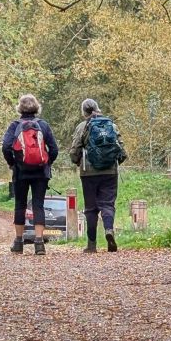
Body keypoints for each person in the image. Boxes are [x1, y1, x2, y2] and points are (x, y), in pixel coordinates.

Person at [1, 94, 59, 255]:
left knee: (20, 205)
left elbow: (6, 147)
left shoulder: (14, 125)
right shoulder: (43, 125)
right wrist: (47, 163)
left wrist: (12, 163)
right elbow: (54, 149)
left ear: (20, 108)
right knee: (38, 205)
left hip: (20, 171)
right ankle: (39, 243)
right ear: (36, 108)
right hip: (41, 172)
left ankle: (18, 242)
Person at [69, 98, 127, 253]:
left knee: (91, 208)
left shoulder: (83, 127)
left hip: (88, 172)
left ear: (84, 112)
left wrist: (77, 162)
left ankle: (91, 244)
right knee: (108, 204)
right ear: (97, 108)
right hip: (110, 171)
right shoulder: (111, 125)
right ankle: (109, 230)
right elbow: (122, 151)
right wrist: (113, 163)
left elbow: (75, 149)